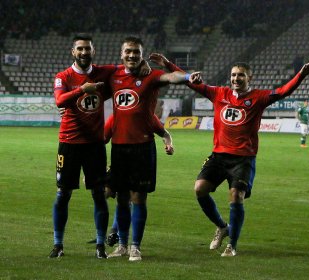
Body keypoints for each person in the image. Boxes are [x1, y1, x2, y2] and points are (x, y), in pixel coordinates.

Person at [152, 54, 309, 256]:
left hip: (243, 158)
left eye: (241, 75)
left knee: (236, 197)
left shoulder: (259, 97)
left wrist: (301, 74)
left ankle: (232, 245)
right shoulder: (219, 93)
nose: (236, 79)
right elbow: (191, 83)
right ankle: (222, 227)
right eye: (233, 75)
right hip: (219, 155)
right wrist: (167, 64)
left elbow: (284, 91)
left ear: (250, 78)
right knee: (199, 189)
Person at [50, 34, 149, 259]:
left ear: (93, 51)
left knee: (98, 194)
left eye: (88, 49)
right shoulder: (63, 76)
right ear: (73, 52)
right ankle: (58, 243)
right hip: (69, 143)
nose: (84, 52)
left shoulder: (104, 72)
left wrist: (143, 63)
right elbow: (59, 100)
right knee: (63, 194)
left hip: (95, 145)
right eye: (80, 49)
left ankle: (100, 246)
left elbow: (126, 64)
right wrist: (83, 89)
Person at [107, 37, 201, 261]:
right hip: (119, 146)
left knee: (139, 198)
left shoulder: (150, 76)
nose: (132, 56)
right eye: (128, 52)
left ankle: (135, 246)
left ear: (141, 55)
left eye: (136, 53)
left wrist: (187, 76)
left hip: (142, 148)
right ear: (121, 54)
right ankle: (120, 245)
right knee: (121, 198)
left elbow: (171, 76)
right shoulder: (112, 74)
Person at [103, 113, 174, 248]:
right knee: (111, 195)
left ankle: (131, 244)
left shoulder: (148, 116)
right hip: (120, 160)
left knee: (135, 197)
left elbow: (165, 134)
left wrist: (169, 145)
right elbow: (102, 140)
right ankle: (115, 238)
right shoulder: (115, 117)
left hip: (142, 160)